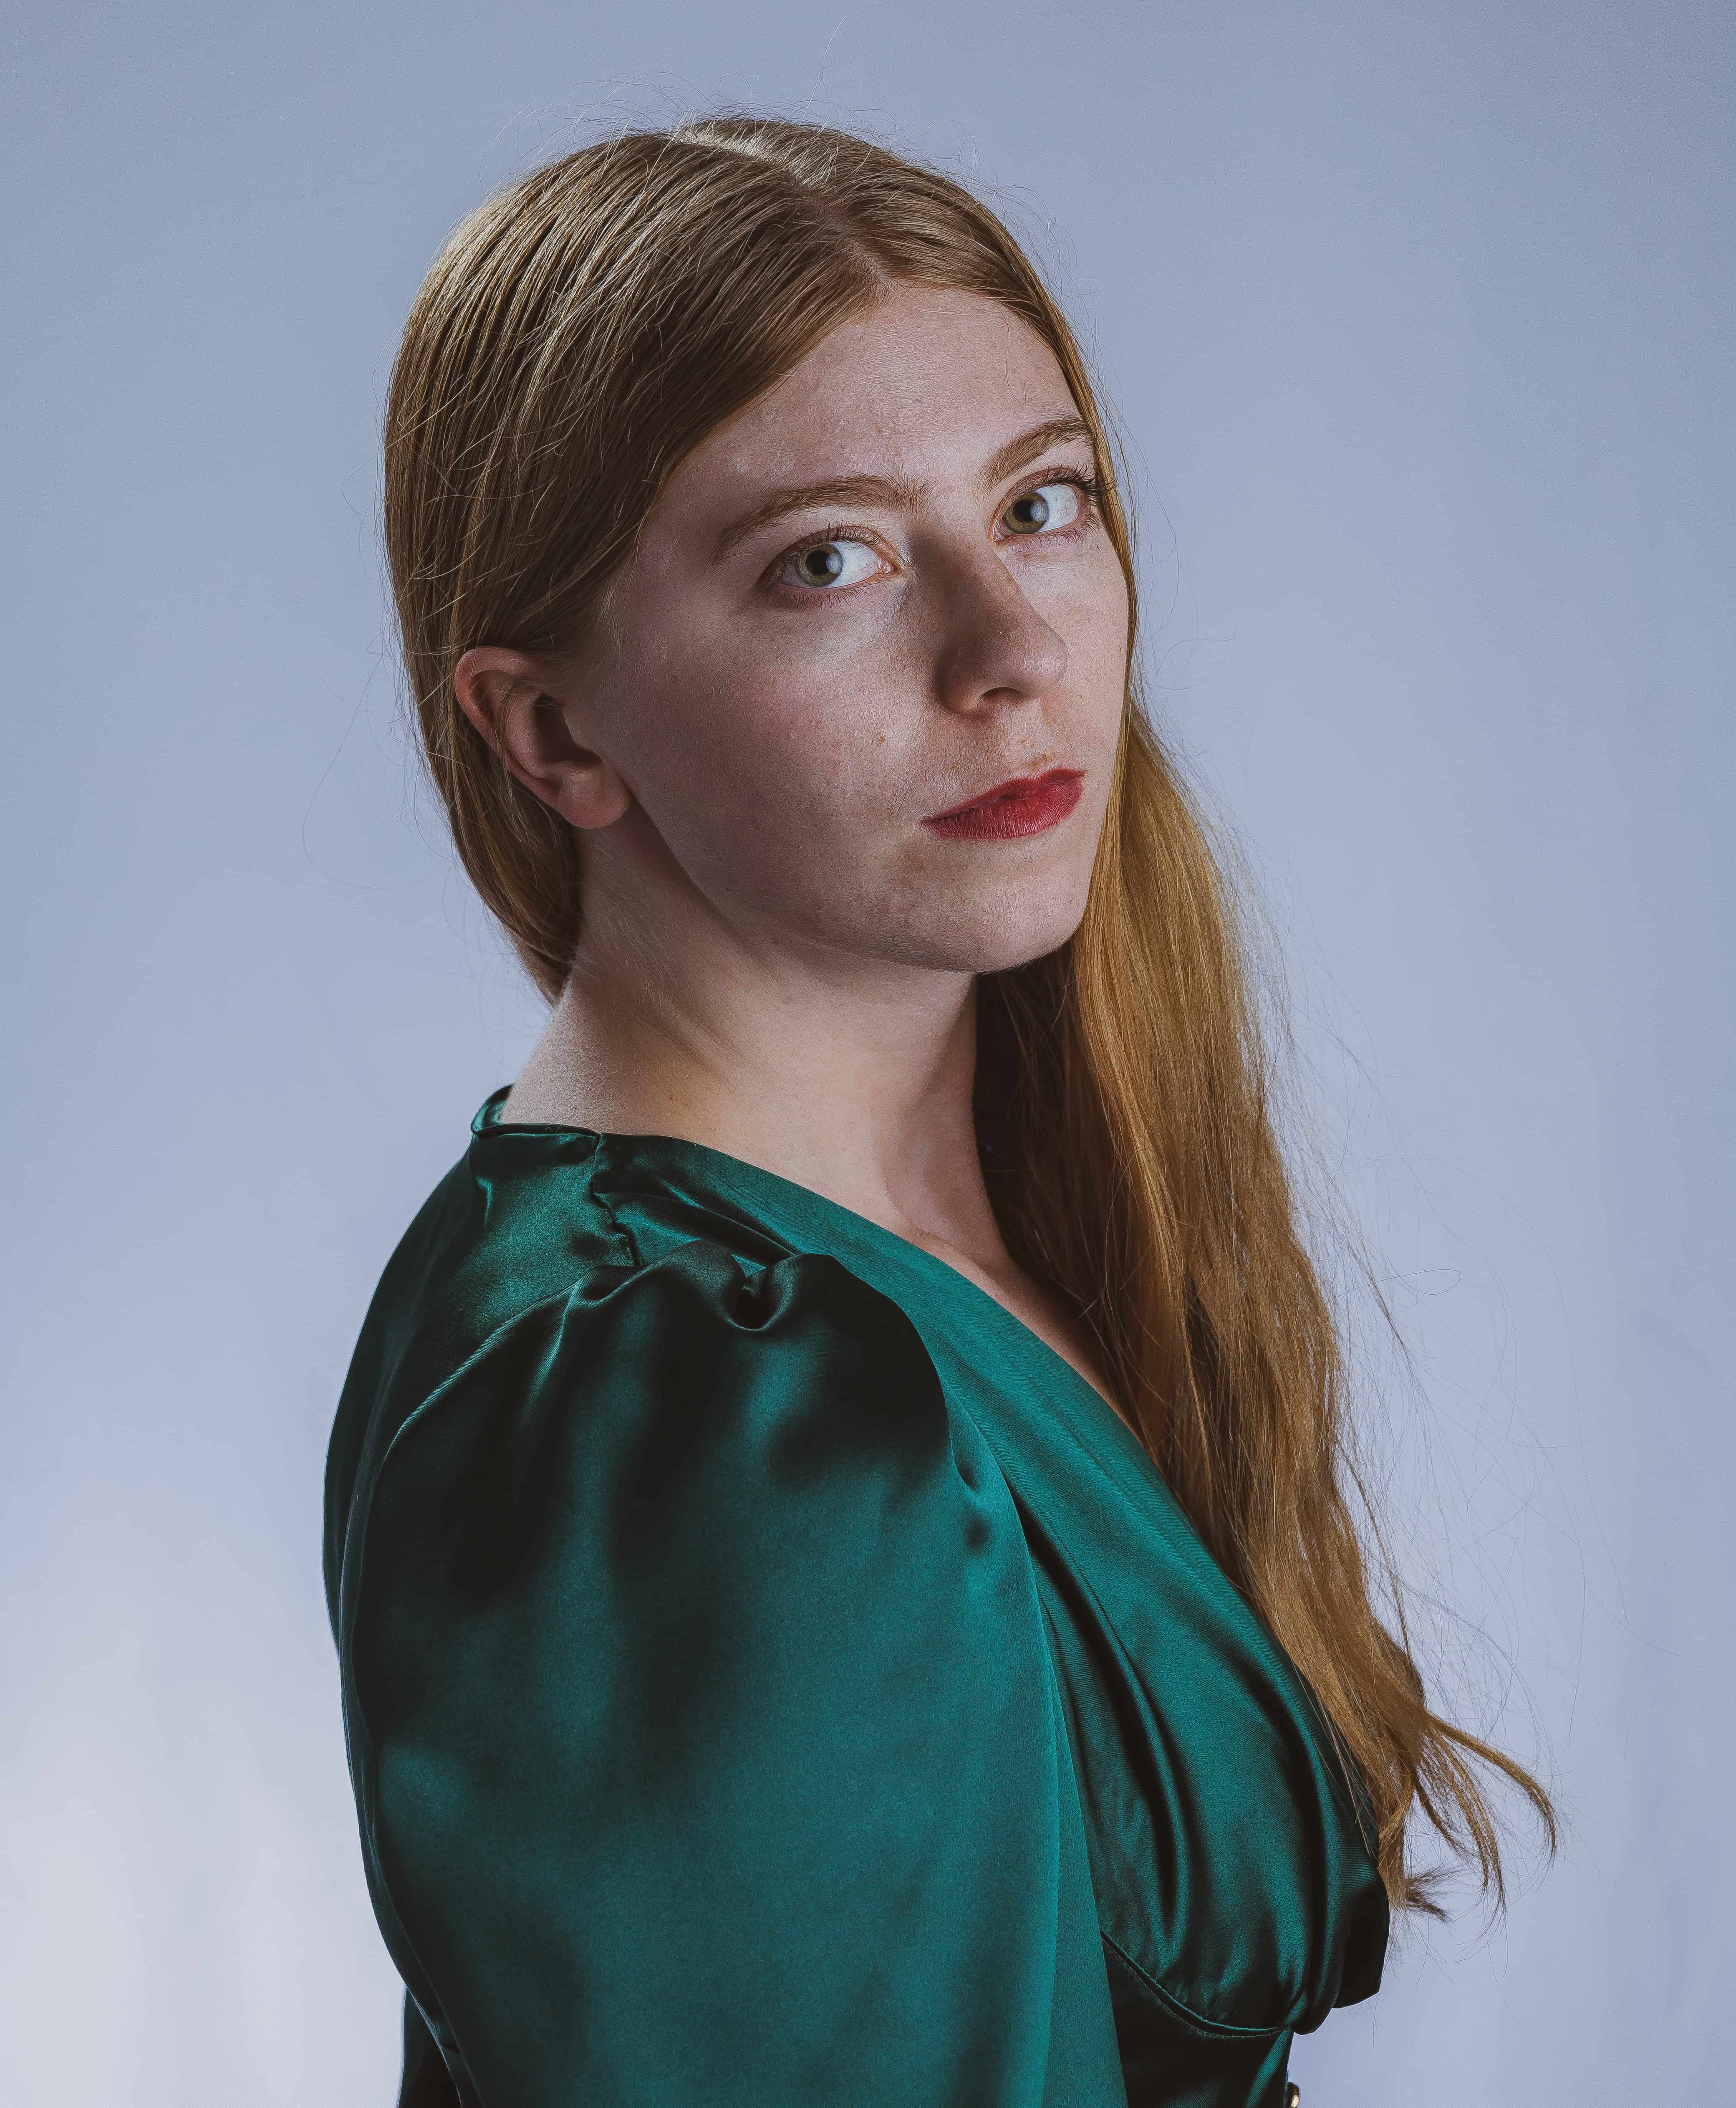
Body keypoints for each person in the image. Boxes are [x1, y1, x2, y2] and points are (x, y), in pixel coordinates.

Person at [324, 116, 1552, 2108]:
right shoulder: (690, 1407)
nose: (1012, 650)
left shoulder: (981, 1217)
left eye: (1043, 504)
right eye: (830, 561)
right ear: (551, 732)